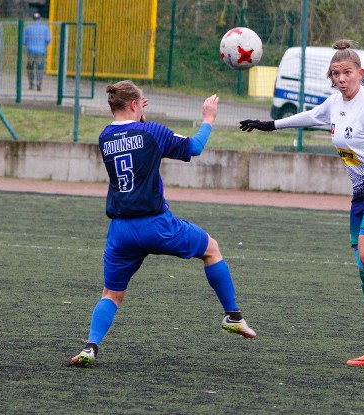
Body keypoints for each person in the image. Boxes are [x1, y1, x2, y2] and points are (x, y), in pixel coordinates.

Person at [239, 40, 364, 367]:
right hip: (361, 193)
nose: (341, 79)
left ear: (360, 74)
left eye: (347, 73)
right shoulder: (336, 102)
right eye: (335, 73)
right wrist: (269, 125)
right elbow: (310, 116)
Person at [70, 80, 256, 367]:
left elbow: (130, 136)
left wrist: (138, 116)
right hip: (156, 225)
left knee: (112, 294)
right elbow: (194, 147)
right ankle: (232, 315)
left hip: (120, 232)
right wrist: (208, 119)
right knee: (211, 250)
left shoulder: (104, 136)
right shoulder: (153, 132)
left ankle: (91, 347)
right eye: (141, 101)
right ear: (134, 104)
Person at [23, 12, 51, 91]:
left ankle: (31, 83)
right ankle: (39, 83)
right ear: (40, 19)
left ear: (33, 19)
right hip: (41, 50)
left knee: (30, 67)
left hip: (31, 50)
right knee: (40, 67)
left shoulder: (28, 27)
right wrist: (44, 45)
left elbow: (23, 40)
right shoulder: (45, 27)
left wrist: (28, 44)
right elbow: (48, 39)